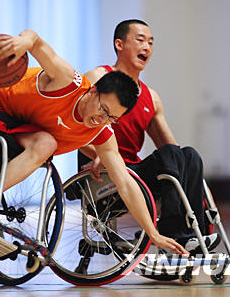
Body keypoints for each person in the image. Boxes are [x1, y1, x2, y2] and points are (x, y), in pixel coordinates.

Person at [0, 29, 188, 255]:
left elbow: (126, 184)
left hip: (15, 130)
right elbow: (36, 41)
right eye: (103, 109)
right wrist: (22, 42)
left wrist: (152, 232)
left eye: (112, 118)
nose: (102, 119)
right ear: (92, 91)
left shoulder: (101, 133)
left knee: (45, 144)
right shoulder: (67, 81)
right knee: (47, 143)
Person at [78, 20, 220, 256]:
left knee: (189, 155)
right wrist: (96, 154)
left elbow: (173, 150)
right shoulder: (99, 77)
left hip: (135, 175)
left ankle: (195, 232)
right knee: (175, 154)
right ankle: (174, 231)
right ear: (119, 44)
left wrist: (202, 189)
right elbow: (71, 123)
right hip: (102, 177)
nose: (147, 47)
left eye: (151, 42)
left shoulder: (150, 97)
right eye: (140, 39)